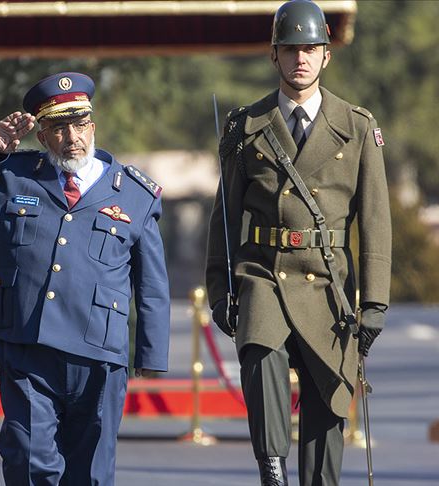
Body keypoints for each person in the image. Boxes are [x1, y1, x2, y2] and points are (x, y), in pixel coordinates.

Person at [0, 72, 170, 485]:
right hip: (27, 343)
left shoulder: (134, 193)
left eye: (79, 125)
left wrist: (151, 354)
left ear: (92, 128)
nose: (72, 137)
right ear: (42, 137)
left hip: (97, 353)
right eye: (59, 127)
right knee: (28, 461)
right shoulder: (13, 177)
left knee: (91, 471)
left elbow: (151, 284)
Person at [206, 1, 391, 485]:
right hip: (263, 272)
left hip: (327, 282)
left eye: (310, 48)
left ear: (327, 56)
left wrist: (374, 302)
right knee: (260, 353)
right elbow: (224, 216)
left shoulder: (355, 126)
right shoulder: (247, 126)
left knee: (326, 403)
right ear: (274, 56)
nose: (300, 59)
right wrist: (219, 284)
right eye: (290, 49)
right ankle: (271, 467)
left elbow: (374, 221)